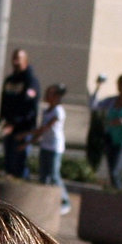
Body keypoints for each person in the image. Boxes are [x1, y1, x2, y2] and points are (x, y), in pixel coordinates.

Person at [0, 48, 39, 179]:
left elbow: (27, 107)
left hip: (23, 129)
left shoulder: (31, 81)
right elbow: (4, 101)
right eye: (14, 58)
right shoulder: (10, 80)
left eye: (19, 58)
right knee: (9, 162)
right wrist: (2, 119)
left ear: (25, 61)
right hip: (9, 128)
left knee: (19, 163)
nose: (15, 61)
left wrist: (14, 123)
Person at [32, 82, 69, 212]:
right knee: (43, 175)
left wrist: (27, 135)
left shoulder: (59, 111)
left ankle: (65, 201)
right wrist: (34, 139)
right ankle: (45, 202)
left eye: (50, 94)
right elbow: (42, 130)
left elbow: (45, 127)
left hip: (55, 147)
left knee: (54, 174)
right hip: (45, 145)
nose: (47, 96)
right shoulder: (45, 110)